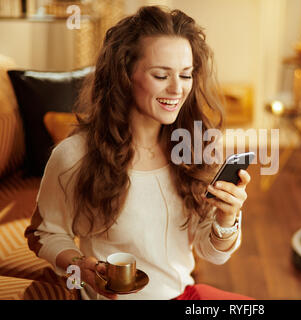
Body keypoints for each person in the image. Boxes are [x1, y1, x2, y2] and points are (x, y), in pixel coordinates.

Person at [24, 6, 252, 300]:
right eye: (161, 75)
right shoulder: (74, 155)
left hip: (183, 296)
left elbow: (214, 254)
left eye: (185, 75)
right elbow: (44, 234)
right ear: (125, 75)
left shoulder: (194, 146)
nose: (177, 89)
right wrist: (80, 267)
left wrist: (227, 217)